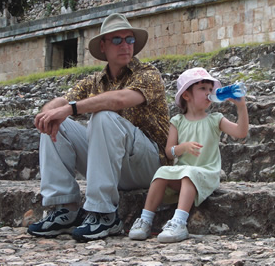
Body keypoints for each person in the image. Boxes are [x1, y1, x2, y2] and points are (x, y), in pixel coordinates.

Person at [27, 13, 170, 241]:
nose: (125, 45)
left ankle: (104, 214)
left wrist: (71, 109)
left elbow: (120, 100)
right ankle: (65, 209)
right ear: (103, 46)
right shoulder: (94, 82)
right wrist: (48, 113)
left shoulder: (148, 74)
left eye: (129, 40)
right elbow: (61, 101)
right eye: (117, 40)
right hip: (112, 164)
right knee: (56, 124)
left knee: (104, 115)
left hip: (150, 165)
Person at [128, 67, 249, 243]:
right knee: (161, 172)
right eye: (202, 89)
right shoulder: (177, 121)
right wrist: (182, 147)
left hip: (206, 172)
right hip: (183, 172)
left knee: (189, 174)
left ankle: (179, 221)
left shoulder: (215, 119)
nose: (209, 93)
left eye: (210, 89)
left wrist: (241, 107)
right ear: (186, 95)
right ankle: (145, 219)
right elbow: (169, 153)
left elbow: (241, 132)